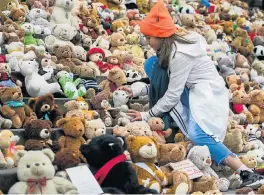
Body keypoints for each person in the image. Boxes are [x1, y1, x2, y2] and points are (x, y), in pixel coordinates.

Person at [119, 0, 264, 189]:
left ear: (161, 36)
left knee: (198, 134)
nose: (148, 43)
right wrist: (136, 89)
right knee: (151, 63)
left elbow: (172, 94)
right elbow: (161, 84)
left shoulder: (179, 55)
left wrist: (147, 114)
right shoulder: (168, 51)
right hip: (191, 90)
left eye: (150, 38)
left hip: (205, 93)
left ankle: (245, 171)